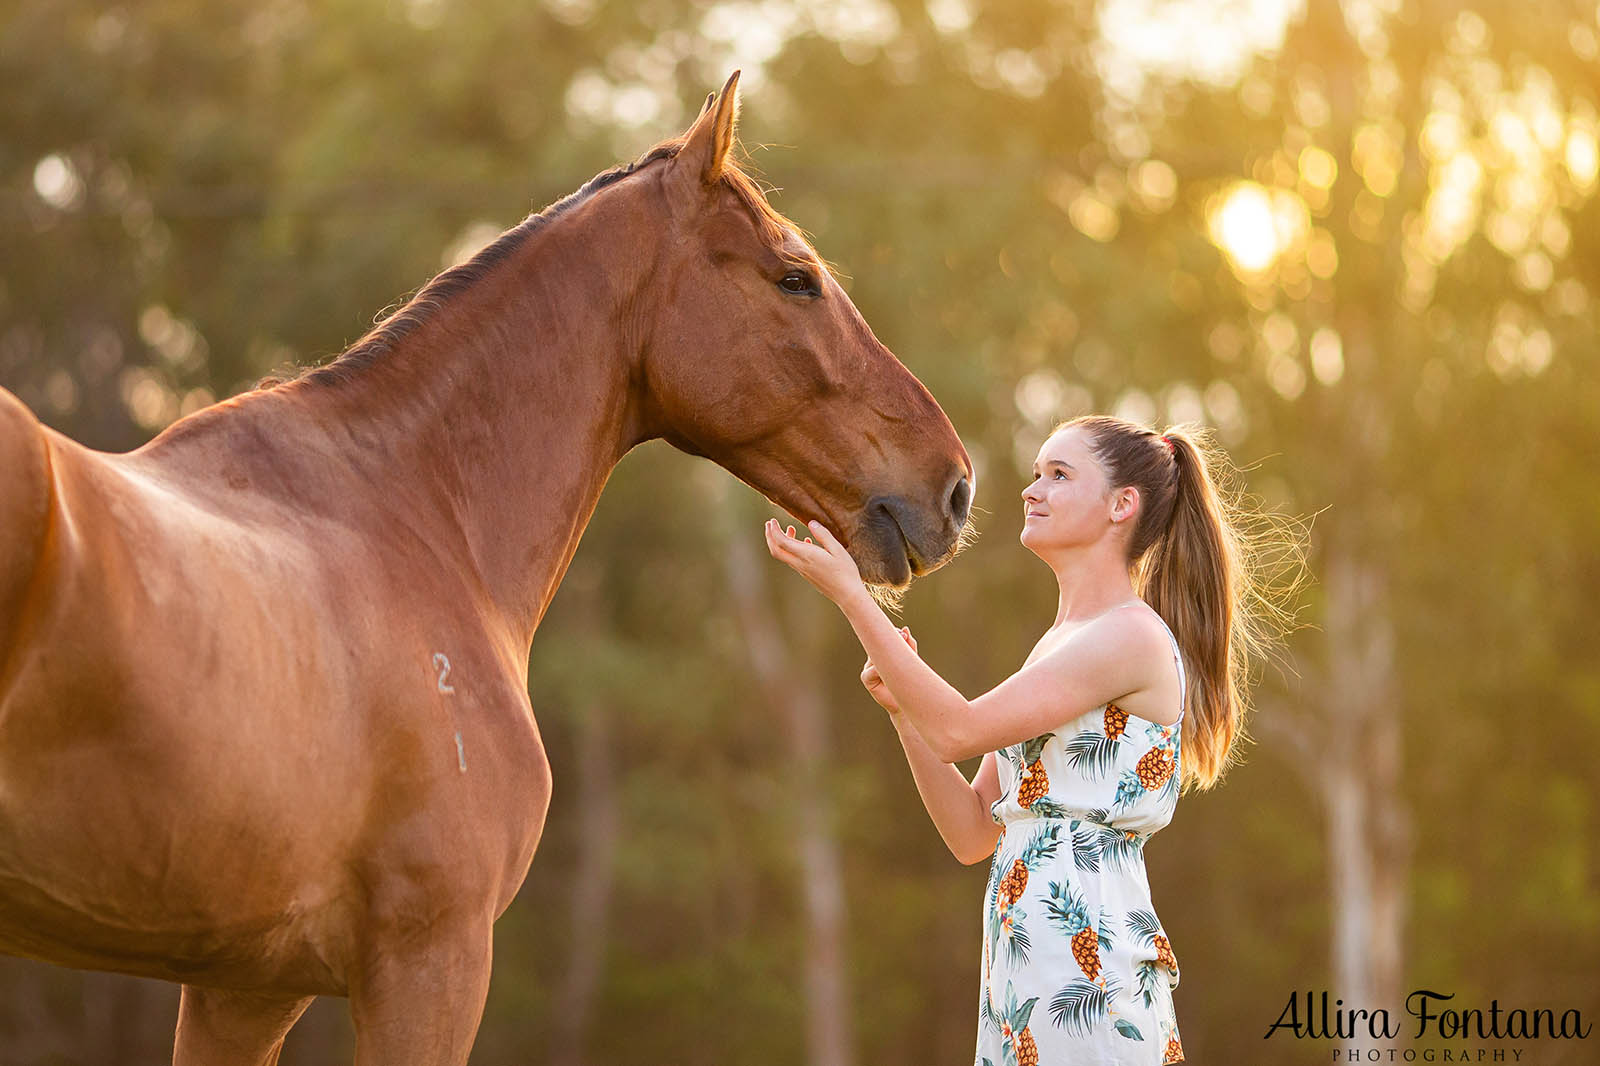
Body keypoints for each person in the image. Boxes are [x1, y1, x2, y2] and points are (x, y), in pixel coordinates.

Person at [765, 415, 1293, 1066]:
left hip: (1089, 967)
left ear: (1121, 505)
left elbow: (958, 728)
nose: (1031, 489)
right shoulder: (1055, 646)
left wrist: (854, 596)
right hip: (1025, 964)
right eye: (1037, 472)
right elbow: (973, 830)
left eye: (1059, 475)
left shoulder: (1131, 636)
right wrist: (904, 714)